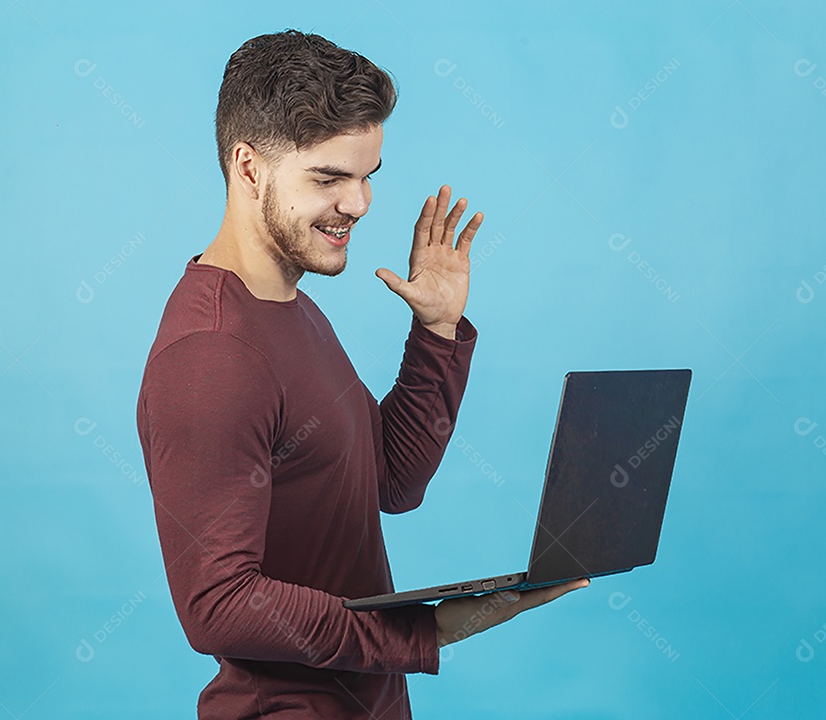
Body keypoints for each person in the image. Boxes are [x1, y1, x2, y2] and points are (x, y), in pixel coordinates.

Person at [135, 29, 588, 719]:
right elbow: (218, 608)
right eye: (329, 178)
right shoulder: (211, 355)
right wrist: (424, 631)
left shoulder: (290, 307)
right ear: (249, 168)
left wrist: (436, 330)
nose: (360, 203)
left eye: (366, 174)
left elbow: (390, 479)